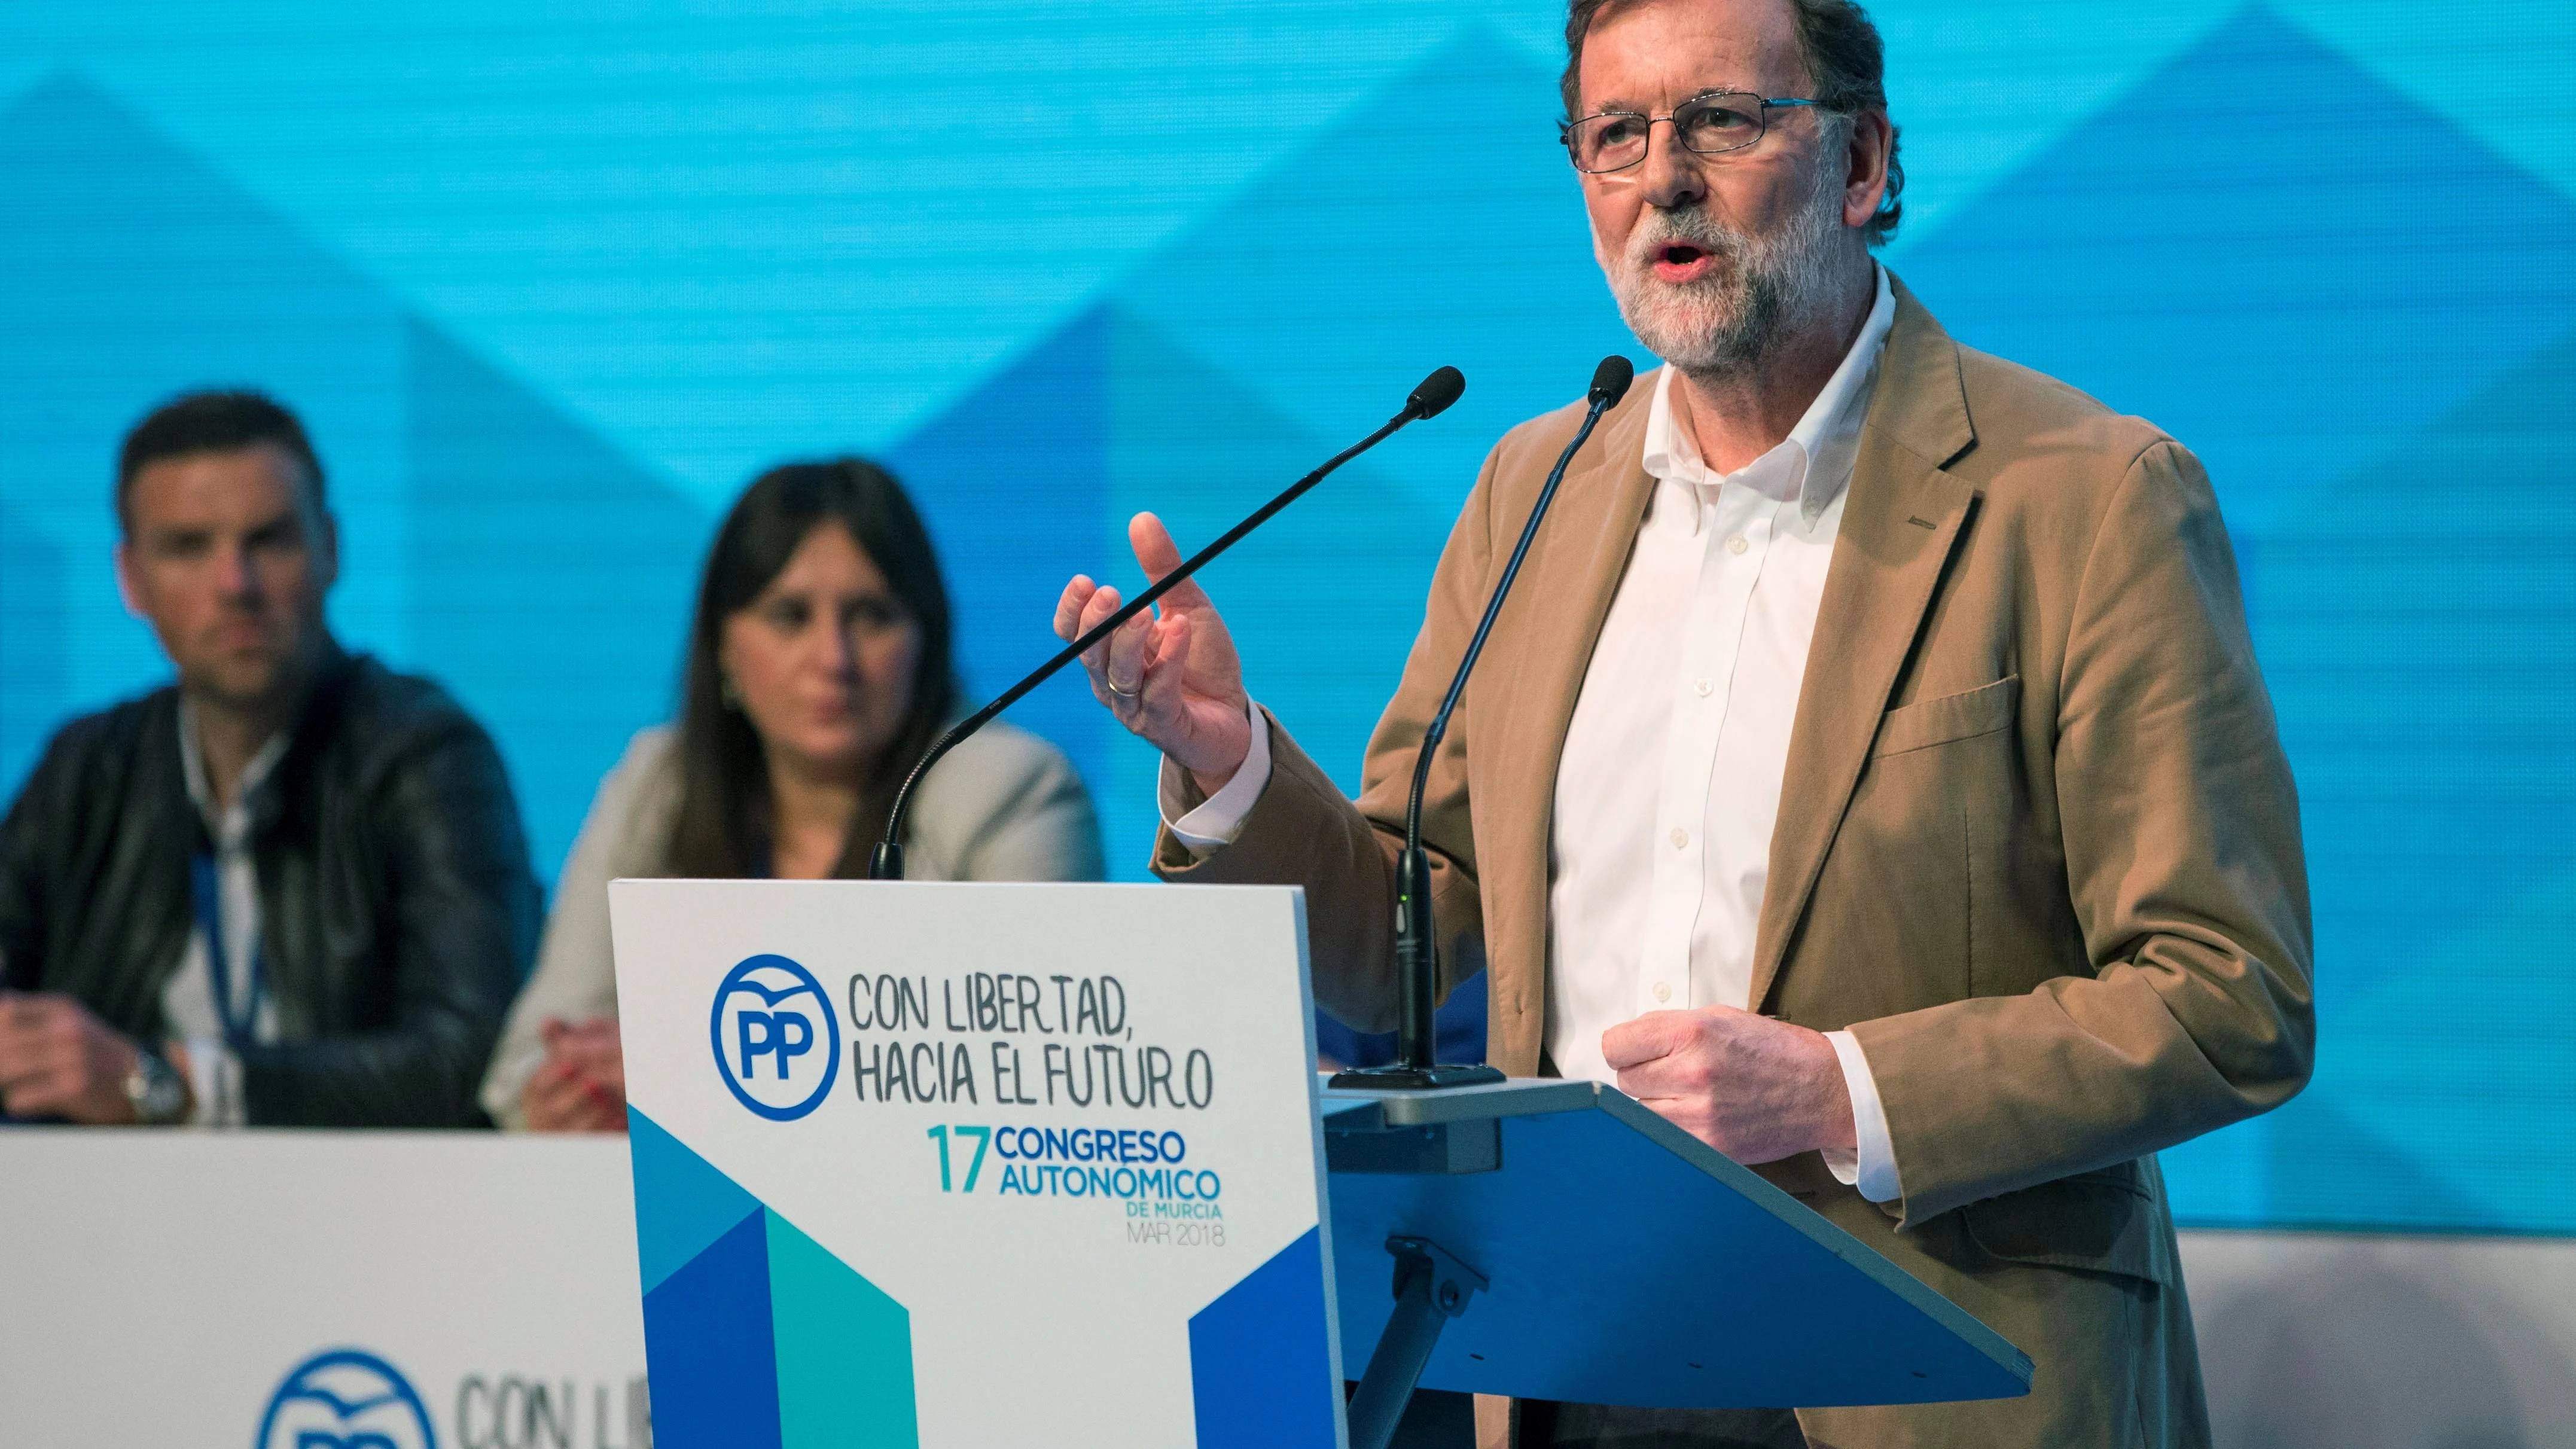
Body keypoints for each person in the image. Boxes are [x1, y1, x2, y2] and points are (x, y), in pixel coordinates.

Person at [1053, 0, 2313, 1444]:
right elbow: (1426, 946)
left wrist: (1840, 1089)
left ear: (1860, 163)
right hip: (1567, 1363)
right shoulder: (1531, 492)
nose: (1663, 176)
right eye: (1616, 134)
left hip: (1931, 1374)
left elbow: (2228, 993)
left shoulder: (2082, 501)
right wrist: (1227, 764)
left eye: (1720, 119)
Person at [484, 459, 1105, 1131]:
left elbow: (1032, 1082)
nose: (833, 658)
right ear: (722, 643)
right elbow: (528, 1061)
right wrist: (562, 1096)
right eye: (789, 615)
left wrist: (681, 1080)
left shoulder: (1012, 790)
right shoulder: (657, 782)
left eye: (871, 615)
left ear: (925, 639)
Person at [0, 391, 540, 1128]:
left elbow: (475, 1056)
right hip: (107, 1216)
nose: (235, 585)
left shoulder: (423, 754)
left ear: (331, 550)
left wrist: (168, 1083)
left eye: (270, 540)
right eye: (188, 546)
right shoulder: (86, 771)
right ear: (130, 578)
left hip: (372, 1216)